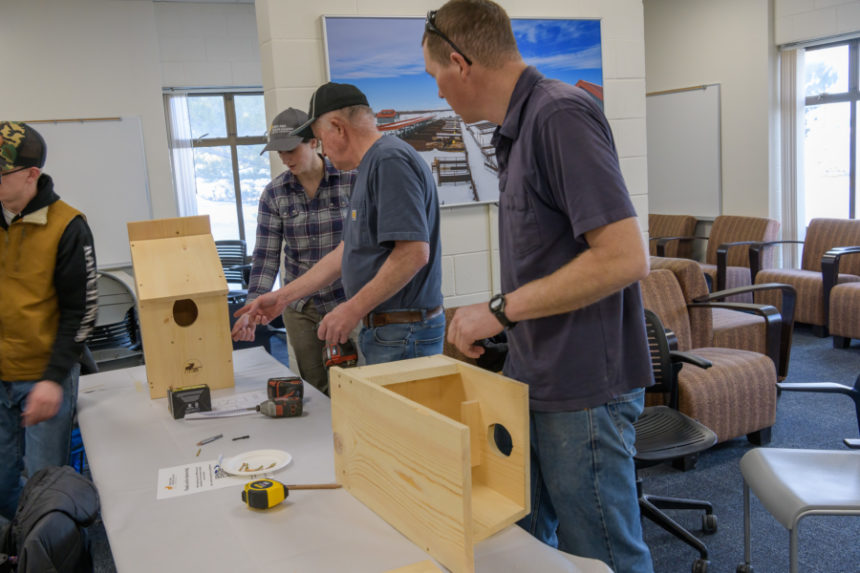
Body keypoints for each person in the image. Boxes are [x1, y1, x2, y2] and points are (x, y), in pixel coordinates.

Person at [422, 2, 654, 572]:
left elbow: (624, 257)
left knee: (602, 558)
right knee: (532, 547)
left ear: (460, 62)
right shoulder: (519, 129)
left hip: (585, 389)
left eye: (436, 79)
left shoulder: (558, 115)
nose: (439, 95)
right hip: (541, 378)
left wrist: (499, 311)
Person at [235, 83, 444, 365]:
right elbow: (347, 251)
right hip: (388, 330)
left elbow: (412, 253)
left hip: (402, 332)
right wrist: (283, 297)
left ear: (338, 127)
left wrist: (351, 309)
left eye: (321, 139)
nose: (324, 150)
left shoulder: (388, 161)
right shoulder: (369, 166)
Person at [0, 121, 98, 520]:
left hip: (43, 376)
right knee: (3, 484)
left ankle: (58, 553)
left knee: (45, 486)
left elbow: (82, 311)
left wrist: (53, 378)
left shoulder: (68, 225)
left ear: (31, 175)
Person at [231, 107, 356, 395]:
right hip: (301, 308)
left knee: (355, 385)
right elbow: (265, 257)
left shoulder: (352, 180)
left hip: (347, 301)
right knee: (316, 388)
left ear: (313, 141)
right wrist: (253, 307)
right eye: (279, 153)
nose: (286, 159)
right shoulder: (274, 194)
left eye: (291, 149)